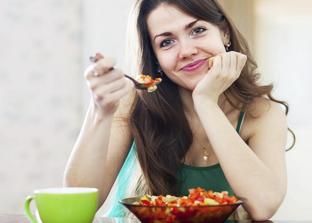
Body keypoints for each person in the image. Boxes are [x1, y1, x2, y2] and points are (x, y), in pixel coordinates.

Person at [64, 0, 295, 220]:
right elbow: (76, 203)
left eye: (198, 30)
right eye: (166, 42)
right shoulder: (133, 103)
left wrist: (206, 102)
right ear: (155, 58)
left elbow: (264, 205)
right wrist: (99, 110)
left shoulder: (263, 114)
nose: (186, 50)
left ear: (223, 32)